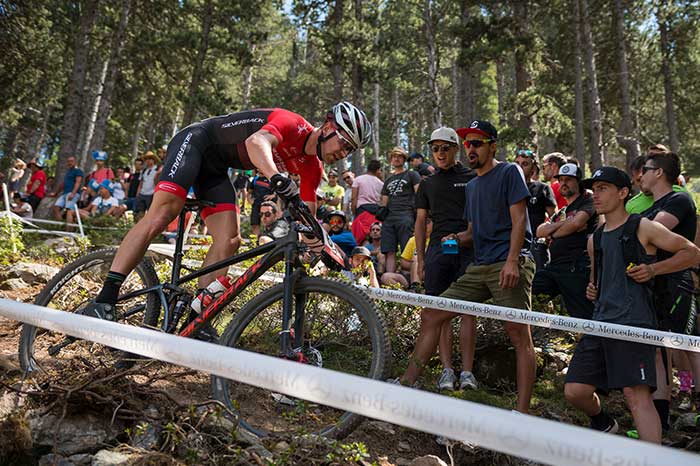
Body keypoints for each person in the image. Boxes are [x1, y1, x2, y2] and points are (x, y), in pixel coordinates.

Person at [84, 103, 371, 330]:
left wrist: (320, 244)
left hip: (216, 170)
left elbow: (305, 214)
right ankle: (105, 298)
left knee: (230, 240)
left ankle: (198, 312)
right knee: (162, 214)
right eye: (344, 144)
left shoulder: (313, 170)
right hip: (196, 142)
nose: (343, 154)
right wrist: (276, 178)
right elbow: (256, 143)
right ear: (329, 127)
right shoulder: (292, 123)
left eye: (350, 150)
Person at [393, 120, 537, 414]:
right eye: (468, 143)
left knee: (519, 334)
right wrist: (455, 238)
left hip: (508, 263)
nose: (471, 148)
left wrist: (512, 261)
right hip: (479, 266)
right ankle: (406, 385)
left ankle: (522, 414)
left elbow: (519, 219)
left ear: (492, 146)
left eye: (477, 143)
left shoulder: (509, 171)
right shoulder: (472, 186)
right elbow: (472, 232)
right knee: (433, 314)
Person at [564, 166, 700, 444]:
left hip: (633, 323)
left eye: (603, 189)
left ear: (623, 193)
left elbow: (692, 252)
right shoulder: (596, 237)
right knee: (575, 390)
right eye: (594, 189)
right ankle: (603, 423)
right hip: (600, 322)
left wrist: (654, 270)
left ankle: (652, 457)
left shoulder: (643, 226)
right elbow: (597, 281)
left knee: (635, 395)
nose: (595, 195)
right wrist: (593, 289)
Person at [638, 151, 700, 432]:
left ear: (659, 172)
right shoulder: (650, 205)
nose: (641, 175)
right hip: (653, 285)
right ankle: (661, 419)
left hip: (677, 281)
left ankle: (696, 405)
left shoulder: (678, 199)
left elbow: (656, 230)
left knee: (690, 346)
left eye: (645, 170)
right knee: (657, 349)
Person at [415, 127, 478, 391]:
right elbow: (420, 222)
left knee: (468, 310)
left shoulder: (473, 177)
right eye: (435, 148)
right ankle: (447, 371)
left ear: (456, 149)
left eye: (445, 147)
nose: (439, 153)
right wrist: (420, 259)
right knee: (440, 311)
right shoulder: (427, 183)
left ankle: (467, 372)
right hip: (439, 250)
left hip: (469, 247)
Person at [533, 163, 597, 320]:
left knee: (583, 316)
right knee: (530, 287)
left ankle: (590, 343)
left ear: (579, 182)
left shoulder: (588, 200)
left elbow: (576, 223)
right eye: (561, 180)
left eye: (568, 179)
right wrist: (564, 223)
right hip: (554, 267)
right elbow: (540, 231)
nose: (563, 183)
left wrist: (553, 234)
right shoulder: (562, 211)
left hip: (576, 266)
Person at [379, 147, 421, 274]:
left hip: (406, 215)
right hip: (389, 218)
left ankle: (409, 279)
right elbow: (384, 202)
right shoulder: (388, 180)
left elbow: (419, 194)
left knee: (406, 249)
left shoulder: (412, 174)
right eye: (394, 156)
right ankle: (390, 281)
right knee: (389, 251)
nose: (396, 159)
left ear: (404, 159)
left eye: (399, 156)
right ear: (391, 160)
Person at [514, 149, 557, 270]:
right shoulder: (506, 189)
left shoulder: (542, 188)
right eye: (517, 163)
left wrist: (546, 236)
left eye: (525, 164)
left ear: (533, 168)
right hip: (510, 245)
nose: (520, 167)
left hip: (535, 246)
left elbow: (555, 217)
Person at [626, 144, 685, 215]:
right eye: (637, 180)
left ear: (658, 172)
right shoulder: (631, 205)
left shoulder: (679, 194)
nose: (642, 180)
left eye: (645, 172)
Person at [351, 159, 384, 243]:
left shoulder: (358, 179)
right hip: (376, 214)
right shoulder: (381, 184)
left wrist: (354, 212)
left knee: (361, 239)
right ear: (377, 170)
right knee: (375, 239)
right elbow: (383, 201)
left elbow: (354, 198)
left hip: (362, 212)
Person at [50, 156, 84, 220]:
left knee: (69, 210)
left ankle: (68, 228)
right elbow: (63, 184)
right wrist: (56, 193)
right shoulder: (68, 172)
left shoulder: (78, 171)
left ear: (75, 162)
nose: (69, 163)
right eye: (68, 161)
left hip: (72, 193)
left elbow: (78, 182)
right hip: (65, 193)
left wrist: (73, 193)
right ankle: (61, 225)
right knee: (56, 208)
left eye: (71, 161)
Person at [248, 172, 276, 237]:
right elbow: (249, 191)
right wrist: (250, 200)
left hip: (267, 206)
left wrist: (272, 196)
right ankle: (256, 240)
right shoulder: (255, 179)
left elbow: (278, 192)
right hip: (256, 204)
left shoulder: (271, 179)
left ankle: (268, 238)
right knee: (254, 223)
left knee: (268, 223)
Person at [134, 151, 160, 220]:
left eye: (150, 159)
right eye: (146, 159)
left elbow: (158, 182)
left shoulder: (157, 170)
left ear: (153, 160)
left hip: (151, 193)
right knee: (140, 212)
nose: (148, 161)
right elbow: (141, 183)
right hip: (142, 194)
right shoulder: (144, 170)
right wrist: (138, 194)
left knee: (151, 213)